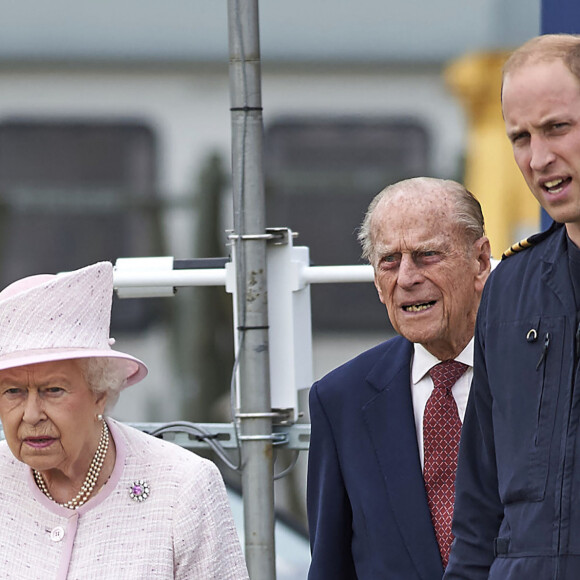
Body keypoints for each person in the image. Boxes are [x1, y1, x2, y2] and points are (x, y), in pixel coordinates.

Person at [0, 261, 249, 579]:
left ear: (100, 393)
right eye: (14, 391)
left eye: (53, 390)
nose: (32, 415)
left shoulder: (183, 486)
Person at [307, 177, 491, 579]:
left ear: (479, 262)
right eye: (389, 260)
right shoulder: (341, 399)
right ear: (376, 279)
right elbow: (329, 566)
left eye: (427, 255)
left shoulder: (541, 372)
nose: (406, 277)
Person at [444, 33, 580, 579]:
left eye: (557, 128)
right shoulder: (508, 288)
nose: (539, 158)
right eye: (520, 137)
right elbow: (479, 503)